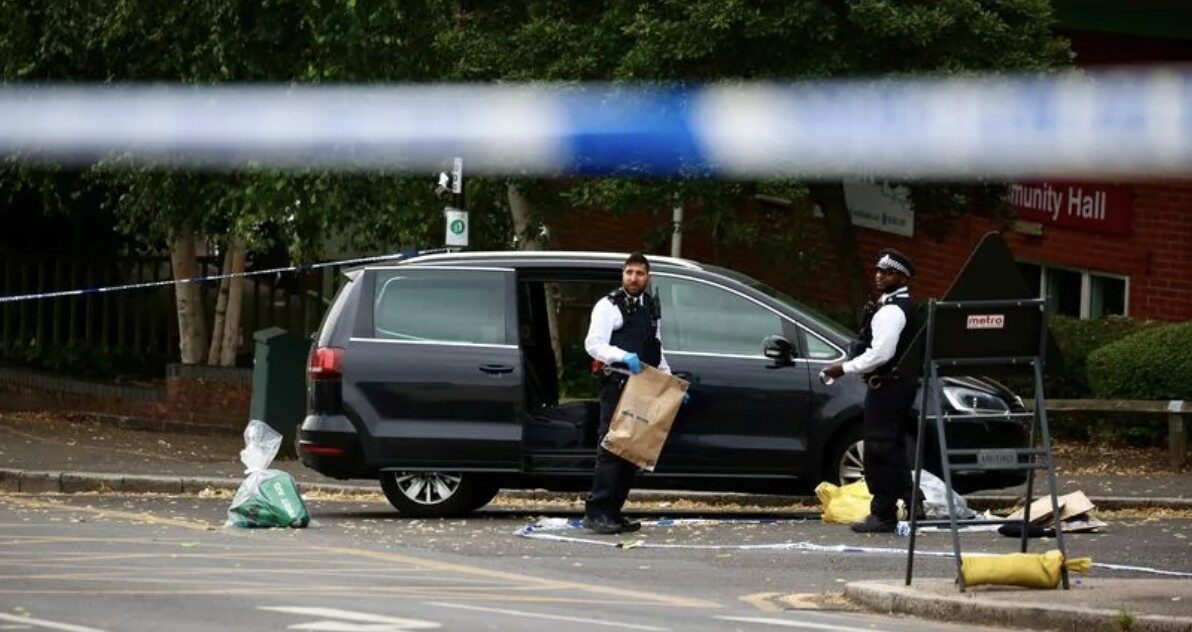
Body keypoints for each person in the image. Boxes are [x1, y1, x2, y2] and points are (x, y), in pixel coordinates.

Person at [821, 248, 922, 533]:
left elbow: (881, 354)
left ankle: (884, 513)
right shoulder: (895, 305)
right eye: (878, 270)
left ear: (901, 278)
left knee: (878, 449)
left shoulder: (892, 310)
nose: (879, 276)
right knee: (892, 447)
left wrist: (845, 367)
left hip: (888, 385)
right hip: (896, 385)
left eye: (887, 272)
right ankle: (914, 501)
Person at [582, 252, 671, 535]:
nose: (634, 278)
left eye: (640, 273)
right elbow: (594, 344)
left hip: (643, 386)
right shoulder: (609, 305)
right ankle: (596, 512)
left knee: (632, 450)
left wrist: (669, 383)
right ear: (623, 274)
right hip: (618, 383)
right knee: (611, 448)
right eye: (629, 272)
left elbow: (657, 350)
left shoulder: (650, 309)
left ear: (648, 277)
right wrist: (623, 355)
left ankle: (613, 511)